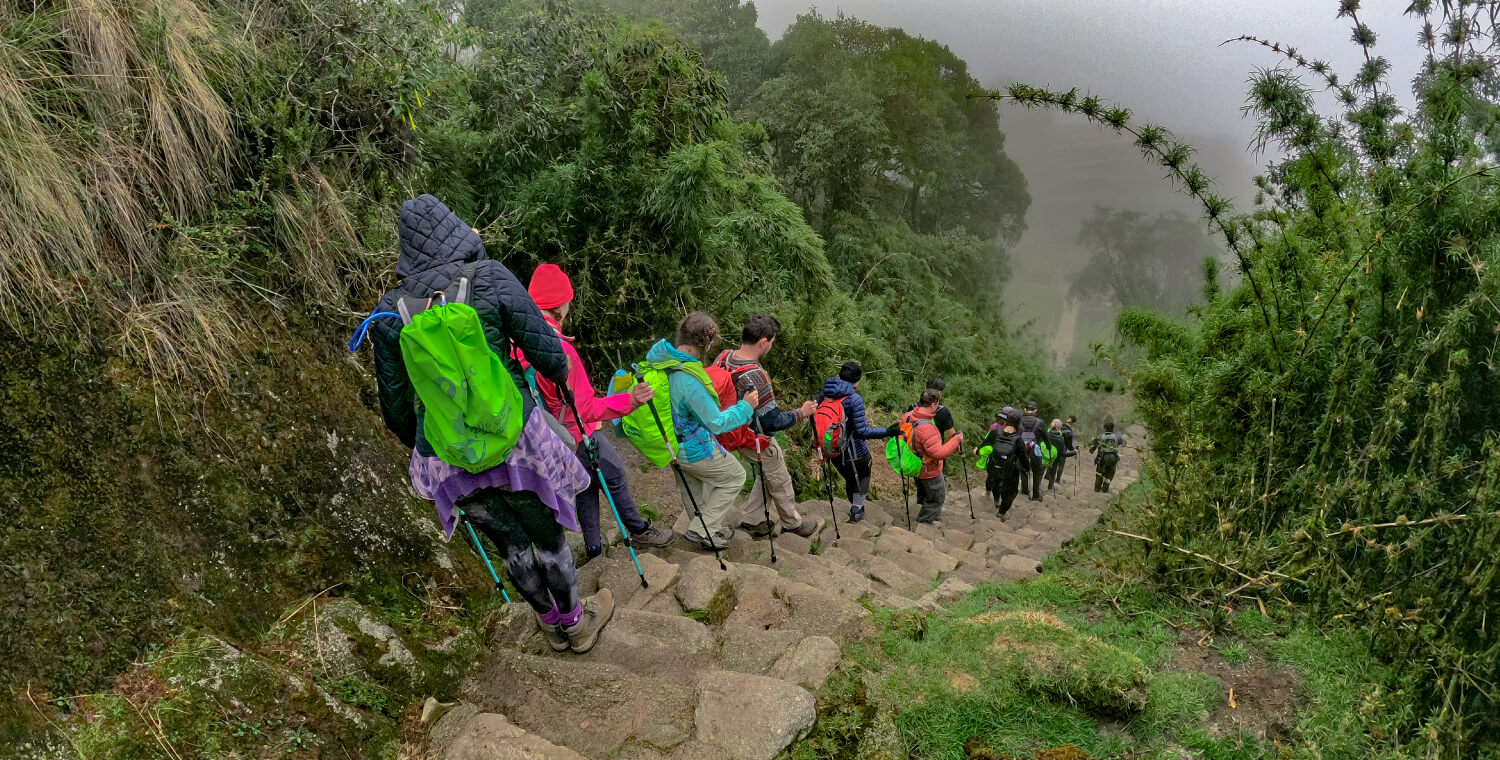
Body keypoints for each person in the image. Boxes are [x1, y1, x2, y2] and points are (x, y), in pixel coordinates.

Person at [371, 195, 608, 654]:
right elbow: (550, 357)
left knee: (511, 544)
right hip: (517, 441)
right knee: (546, 534)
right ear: (456, 231)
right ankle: (576, 625)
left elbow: (396, 411)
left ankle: (546, 622)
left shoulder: (389, 312)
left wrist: (434, 443)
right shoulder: (490, 277)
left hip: (448, 458)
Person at [525, 264, 677, 560]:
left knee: (586, 484)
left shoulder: (522, 340)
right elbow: (586, 409)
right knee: (615, 475)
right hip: (576, 434)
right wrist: (630, 400)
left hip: (545, 433)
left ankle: (594, 547)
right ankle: (639, 530)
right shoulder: (560, 350)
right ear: (560, 306)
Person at [645, 312, 758, 550]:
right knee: (736, 476)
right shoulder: (689, 379)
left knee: (694, 487)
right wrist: (745, 406)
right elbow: (716, 422)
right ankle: (701, 529)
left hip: (670, 444)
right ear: (706, 343)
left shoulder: (663, 363)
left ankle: (709, 528)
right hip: (694, 446)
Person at [714, 316, 826, 540]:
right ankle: (792, 523)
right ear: (763, 342)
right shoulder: (757, 375)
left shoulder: (724, 357)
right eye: (772, 342)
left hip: (724, 428)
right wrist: (802, 412)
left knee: (765, 473)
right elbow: (772, 421)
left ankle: (753, 519)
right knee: (779, 476)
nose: (771, 347)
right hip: (752, 437)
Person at [817, 361, 894, 523]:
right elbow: (862, 431)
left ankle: (854, 505)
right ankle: (857, 509)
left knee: (850, 477)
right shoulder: (854, 399)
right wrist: (886, 431)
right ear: (857, 380)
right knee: (863, 475)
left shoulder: (825, 393)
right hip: (855, 451)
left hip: (833, 449)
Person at [902, 389, 964, 525]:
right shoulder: (927, 428)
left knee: (923, 491)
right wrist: (956, 440)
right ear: (934, 405)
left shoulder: (907, 416)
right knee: (936, 497)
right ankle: (924, 522)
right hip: (929, 469)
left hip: (913, 463)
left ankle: (923, 511)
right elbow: (938, 453)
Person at [977, 408, 1023, 520]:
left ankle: (996, 499)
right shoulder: (1018, 437)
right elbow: (1022, 455)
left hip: (994, 463)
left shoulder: (994, 430)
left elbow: (984, 444)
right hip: (1009, 467)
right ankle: (1002, 512)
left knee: (995, 481)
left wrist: (978, 451)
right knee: (1011, 490)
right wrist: (1026, 467)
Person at [1089, 418, 1126, 493]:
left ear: (1105, 428)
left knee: (1099, 474)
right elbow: (1124, 443)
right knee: (1109, 476)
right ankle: (1105, 490)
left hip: (1102, 458)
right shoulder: (1116, 437)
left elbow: (1091, 445)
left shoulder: (1100, 437)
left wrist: (1091, 448)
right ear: (1113, 429)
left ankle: (1097, 489)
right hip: (1113, 459)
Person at [1018, 402, 1046, 501]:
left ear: (1025, 409)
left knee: (1023, 469)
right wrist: (1049, 448)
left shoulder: (1019, 420)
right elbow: (1045, 437)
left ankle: (1024, 490)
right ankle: (1035, 495)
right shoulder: (1040, 422)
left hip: (1022, 448)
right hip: (1035, 449)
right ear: (1036, 410)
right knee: (1037, 471)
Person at [1043, 418, 1067, 491]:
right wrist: (1074, 452)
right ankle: (1050, 488)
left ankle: (1036, 486)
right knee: (1053, 474)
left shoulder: (1045, 433)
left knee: (1040, 472)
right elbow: (1062, 452)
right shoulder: (1060, 438)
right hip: (1055, 459)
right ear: (1059, 428)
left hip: (1044, 457)